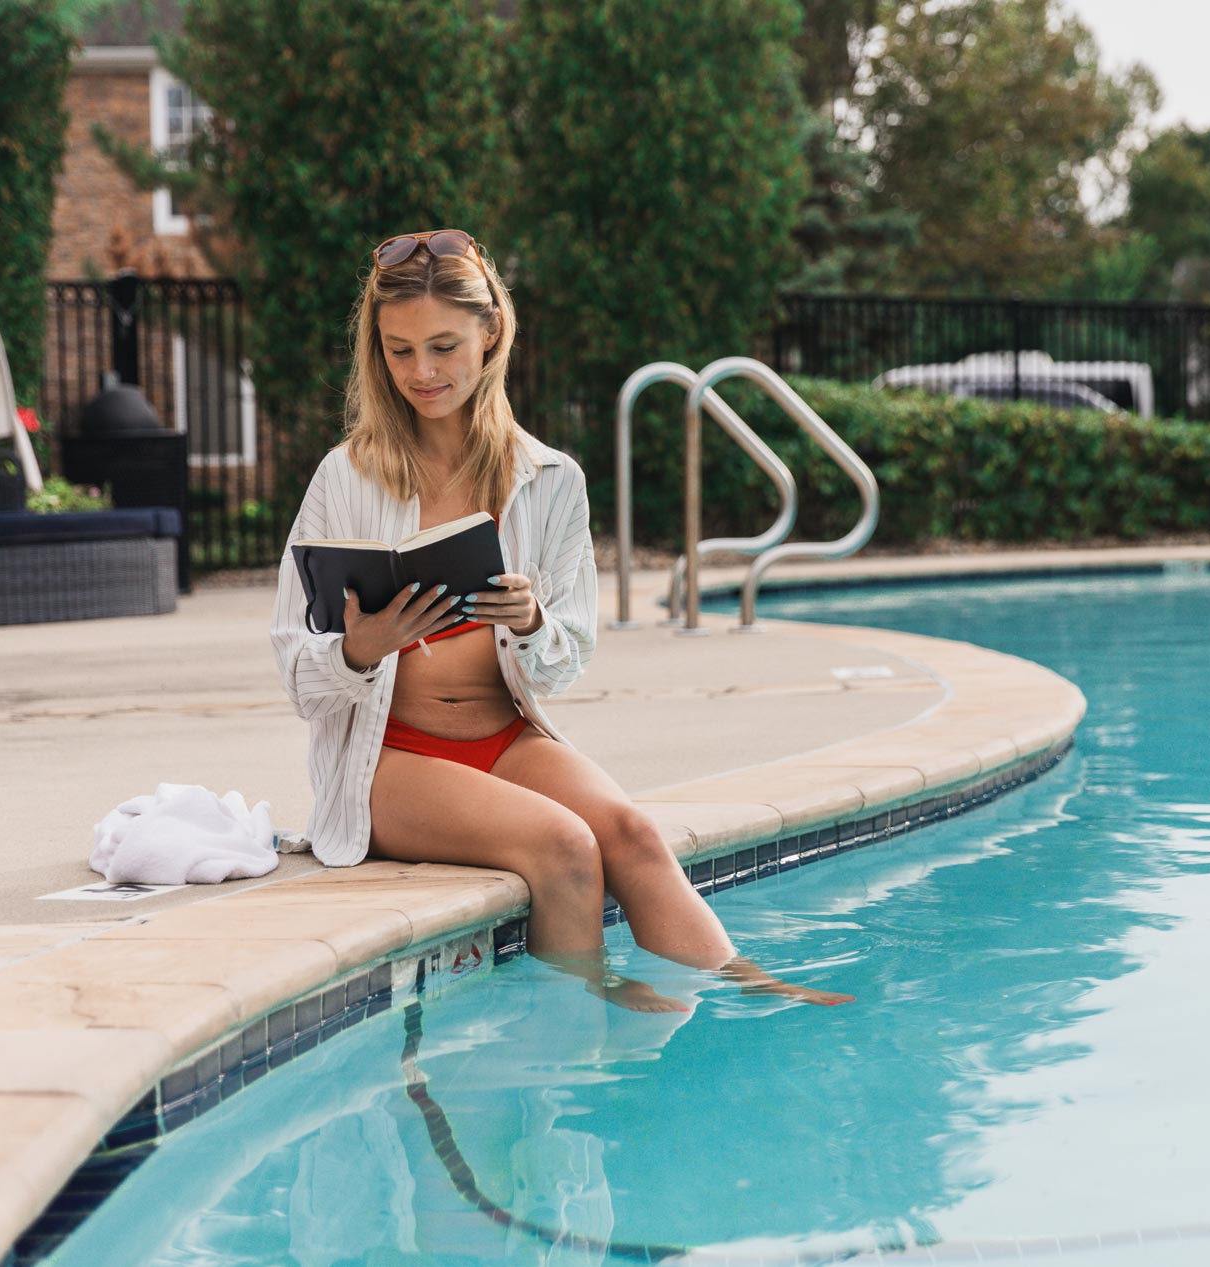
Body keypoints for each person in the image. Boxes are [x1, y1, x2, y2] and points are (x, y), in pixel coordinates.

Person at [269, 228, 850, 1012]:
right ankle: (571, 1045)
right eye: (399, 351)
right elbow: (297, 669)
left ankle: (748, 996)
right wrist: (360, 649)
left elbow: (563, 661)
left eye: (443, 345)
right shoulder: (346, 476)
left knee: (634, 836)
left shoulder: (549, 480)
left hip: (506, 737)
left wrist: (535, 619)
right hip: (387, 761)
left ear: (492, 332)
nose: (423, 372)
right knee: (564, 846)